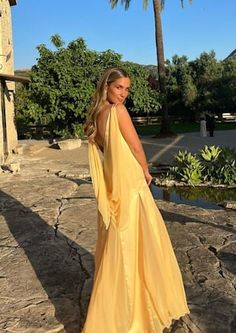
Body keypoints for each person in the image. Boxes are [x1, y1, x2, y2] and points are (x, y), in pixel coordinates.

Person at [83, 68, 190, 333]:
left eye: (126, 89)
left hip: (113, 183)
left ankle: (119, 306)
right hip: (129, 182)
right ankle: (140, 307)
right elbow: (135, 146)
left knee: (120, 241)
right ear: (106, 85)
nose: (124, 94)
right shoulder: (117, 112)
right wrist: (145, 170)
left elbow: (104, 151)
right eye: (119, 87)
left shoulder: (95, 115)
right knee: (142, 240)